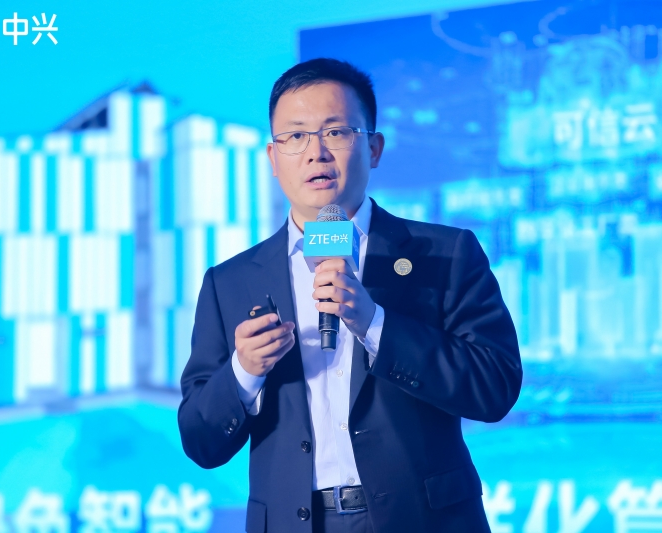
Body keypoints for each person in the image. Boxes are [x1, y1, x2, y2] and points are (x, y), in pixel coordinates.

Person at [178, 57, 522, 533]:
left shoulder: (445, 253)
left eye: (336, 132)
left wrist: (376, 325)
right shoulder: (231, 282)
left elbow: (494, 388)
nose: (316, 153)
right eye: (295, 136)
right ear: (273, 158)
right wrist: (245, 371)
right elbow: (200, 440)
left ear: (374, 148)